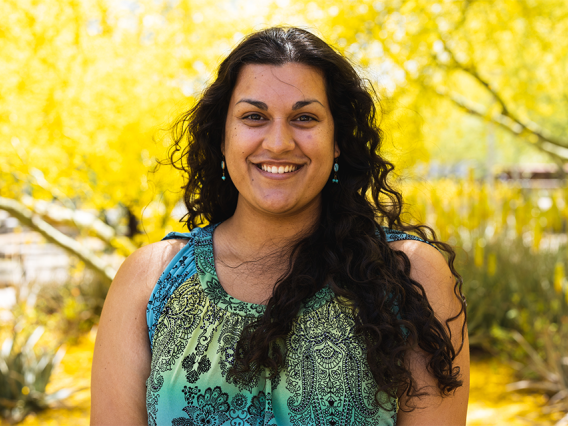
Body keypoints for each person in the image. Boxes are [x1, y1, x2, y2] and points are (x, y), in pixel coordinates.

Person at [91, 26, 469, 426]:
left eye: (304, 118)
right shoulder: (148, 279)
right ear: (223, 137)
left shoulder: (410, 277)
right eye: (254, 116)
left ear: (337, 139)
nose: (278, 142)